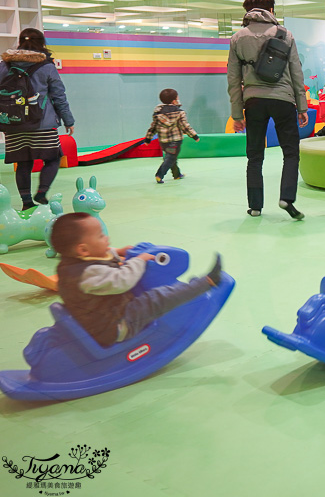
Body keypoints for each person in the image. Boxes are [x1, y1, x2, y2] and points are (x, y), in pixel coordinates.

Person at [49, 212, 222, 348]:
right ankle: (206, 283)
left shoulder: (73, 264)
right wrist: (139, 260)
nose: (107, 238)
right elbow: (123, 280)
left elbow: (100, 259)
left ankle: (188, 288)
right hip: (116, 325)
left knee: (149, 292)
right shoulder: (87, 275)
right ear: (83, 250)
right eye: (101, 236)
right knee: (157, 298)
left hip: (105, 314)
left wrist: (119, 252)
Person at [227, 0, 309, 220]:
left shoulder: (238, 37)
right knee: (290, 152)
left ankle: (255, 206)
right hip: (283, 99)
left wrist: (237, 114)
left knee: (254, 155)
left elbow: (233, 80)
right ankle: (286, 198)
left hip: (253, 101)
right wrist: (302, 107)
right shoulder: (285, 34)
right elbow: (296, 73)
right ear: (271, 10)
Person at [0, 28, 75, 211]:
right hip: (42, 123)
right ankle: (41, 193)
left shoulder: (3, 66)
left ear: (20, 42)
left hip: (13, 124)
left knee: (23, 162)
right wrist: (69, 120)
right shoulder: (46, 66)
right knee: (53, 158)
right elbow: (59, 96)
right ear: (42, 43)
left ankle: (26, 202)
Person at [144, 88, 199, 184]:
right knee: (170, 158)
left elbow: (153, 127)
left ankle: (177, 174)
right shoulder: (179, 112)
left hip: (163, 141)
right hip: (175, 140)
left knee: (171, 157)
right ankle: (159, 175)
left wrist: (148, 138)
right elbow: (185, 126)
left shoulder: (158, 113)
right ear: (174, 100)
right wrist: (194, 136)